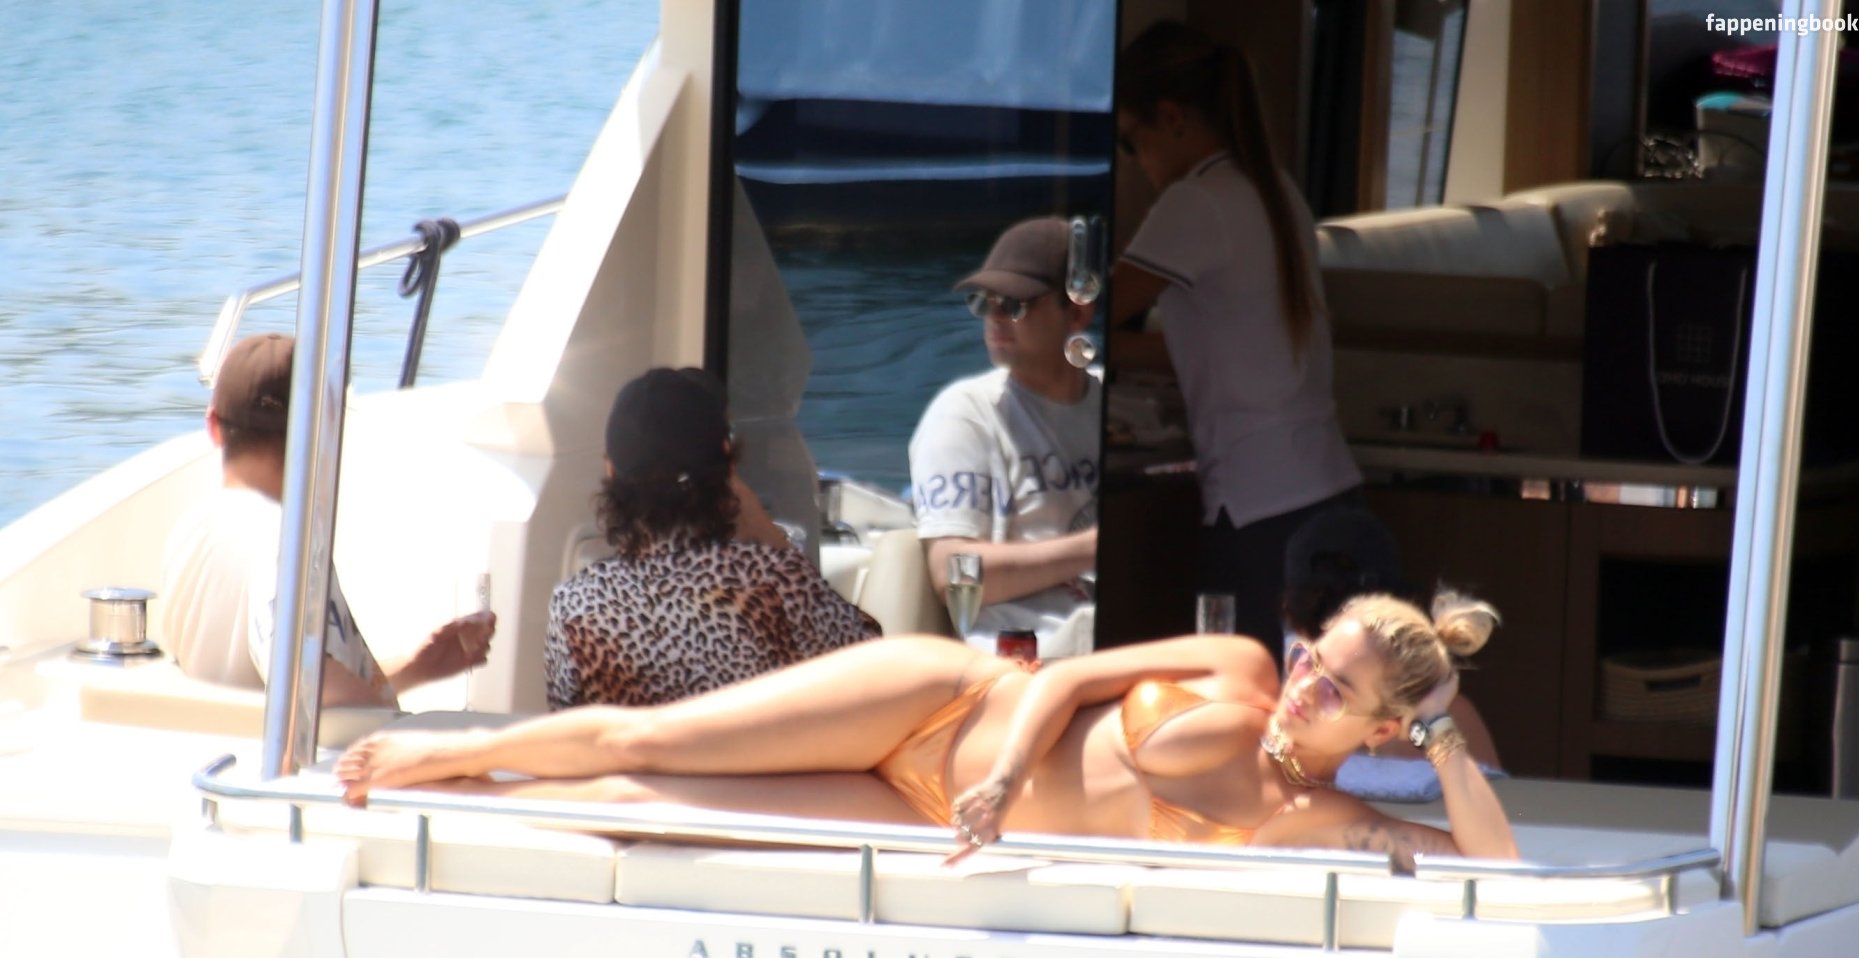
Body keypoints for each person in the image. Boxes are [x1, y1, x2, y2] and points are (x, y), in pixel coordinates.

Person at [335, 591, 1519, 870]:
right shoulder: (1239, 668)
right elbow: (1064, 678)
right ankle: (448, 749)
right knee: (653, 740)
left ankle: (471, 797)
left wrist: (1441, 732)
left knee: (647, 810)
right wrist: (1004, 777)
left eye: (1336, 688)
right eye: (1315, 656)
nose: (1305, 682)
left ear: (1380, 724)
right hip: (945, 701)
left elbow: (1494, 860)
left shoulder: (1324, 819)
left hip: (920, 810)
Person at [1107, 21, 1363, 664]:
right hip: (1329, 496)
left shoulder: (1196, 202)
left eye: (1131, 141)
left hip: (1259, 513)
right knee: (1326, 703)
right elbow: (1217, 350)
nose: (1135, 161)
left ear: (1171, 119)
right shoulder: (1276, 191)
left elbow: (1082, 315)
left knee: (1245, 701)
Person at [160, 333, 495, 707]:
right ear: (323, 434)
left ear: (213, 426)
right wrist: (407, 731)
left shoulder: (189, 533)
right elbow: (315, 691)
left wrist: (418, 668)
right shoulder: (284, 544)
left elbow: (280, 684)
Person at [545, 367, 879, 709]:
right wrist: (769, 535)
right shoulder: (774, 580)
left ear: (611, 470)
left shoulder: (574, 603)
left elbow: (567, 723)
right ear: (727, 463)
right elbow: (873, 667)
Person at [909, 216, 1102, 659]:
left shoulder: (1118, 408)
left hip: (1118, 647)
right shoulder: (964, 415)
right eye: (985, 303)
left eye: (1014, 304)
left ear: (1077, 311)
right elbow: (952, 573)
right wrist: (1092, 550)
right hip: (1023, 663)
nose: (995, 317)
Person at [1281, 506, 1503, 801]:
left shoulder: (1279, 711)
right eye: (1307, 663)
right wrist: (1437, 722)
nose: (1307, 687)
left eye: (1337, 692)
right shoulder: (1454, 715)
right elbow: (1509, 816)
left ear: (1290, 611)